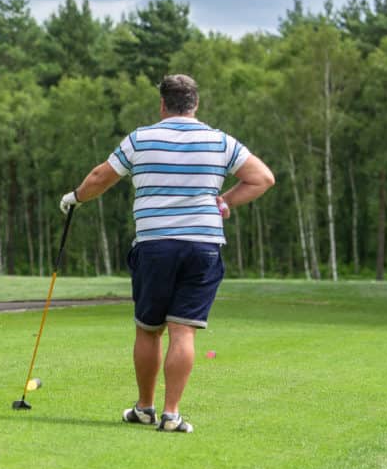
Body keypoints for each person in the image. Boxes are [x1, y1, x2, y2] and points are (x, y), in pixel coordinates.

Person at [59, 74, 274, 432]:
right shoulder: (219, 140)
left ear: (162, 104)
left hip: (155, 245)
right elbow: (262, 178)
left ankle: (145, 408)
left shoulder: (141, 138)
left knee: (148, 330)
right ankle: (172, 415)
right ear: (196, 104)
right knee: (183, 331)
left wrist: (74, 198)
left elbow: (100, 177)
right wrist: (224, 200)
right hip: (203, 246)